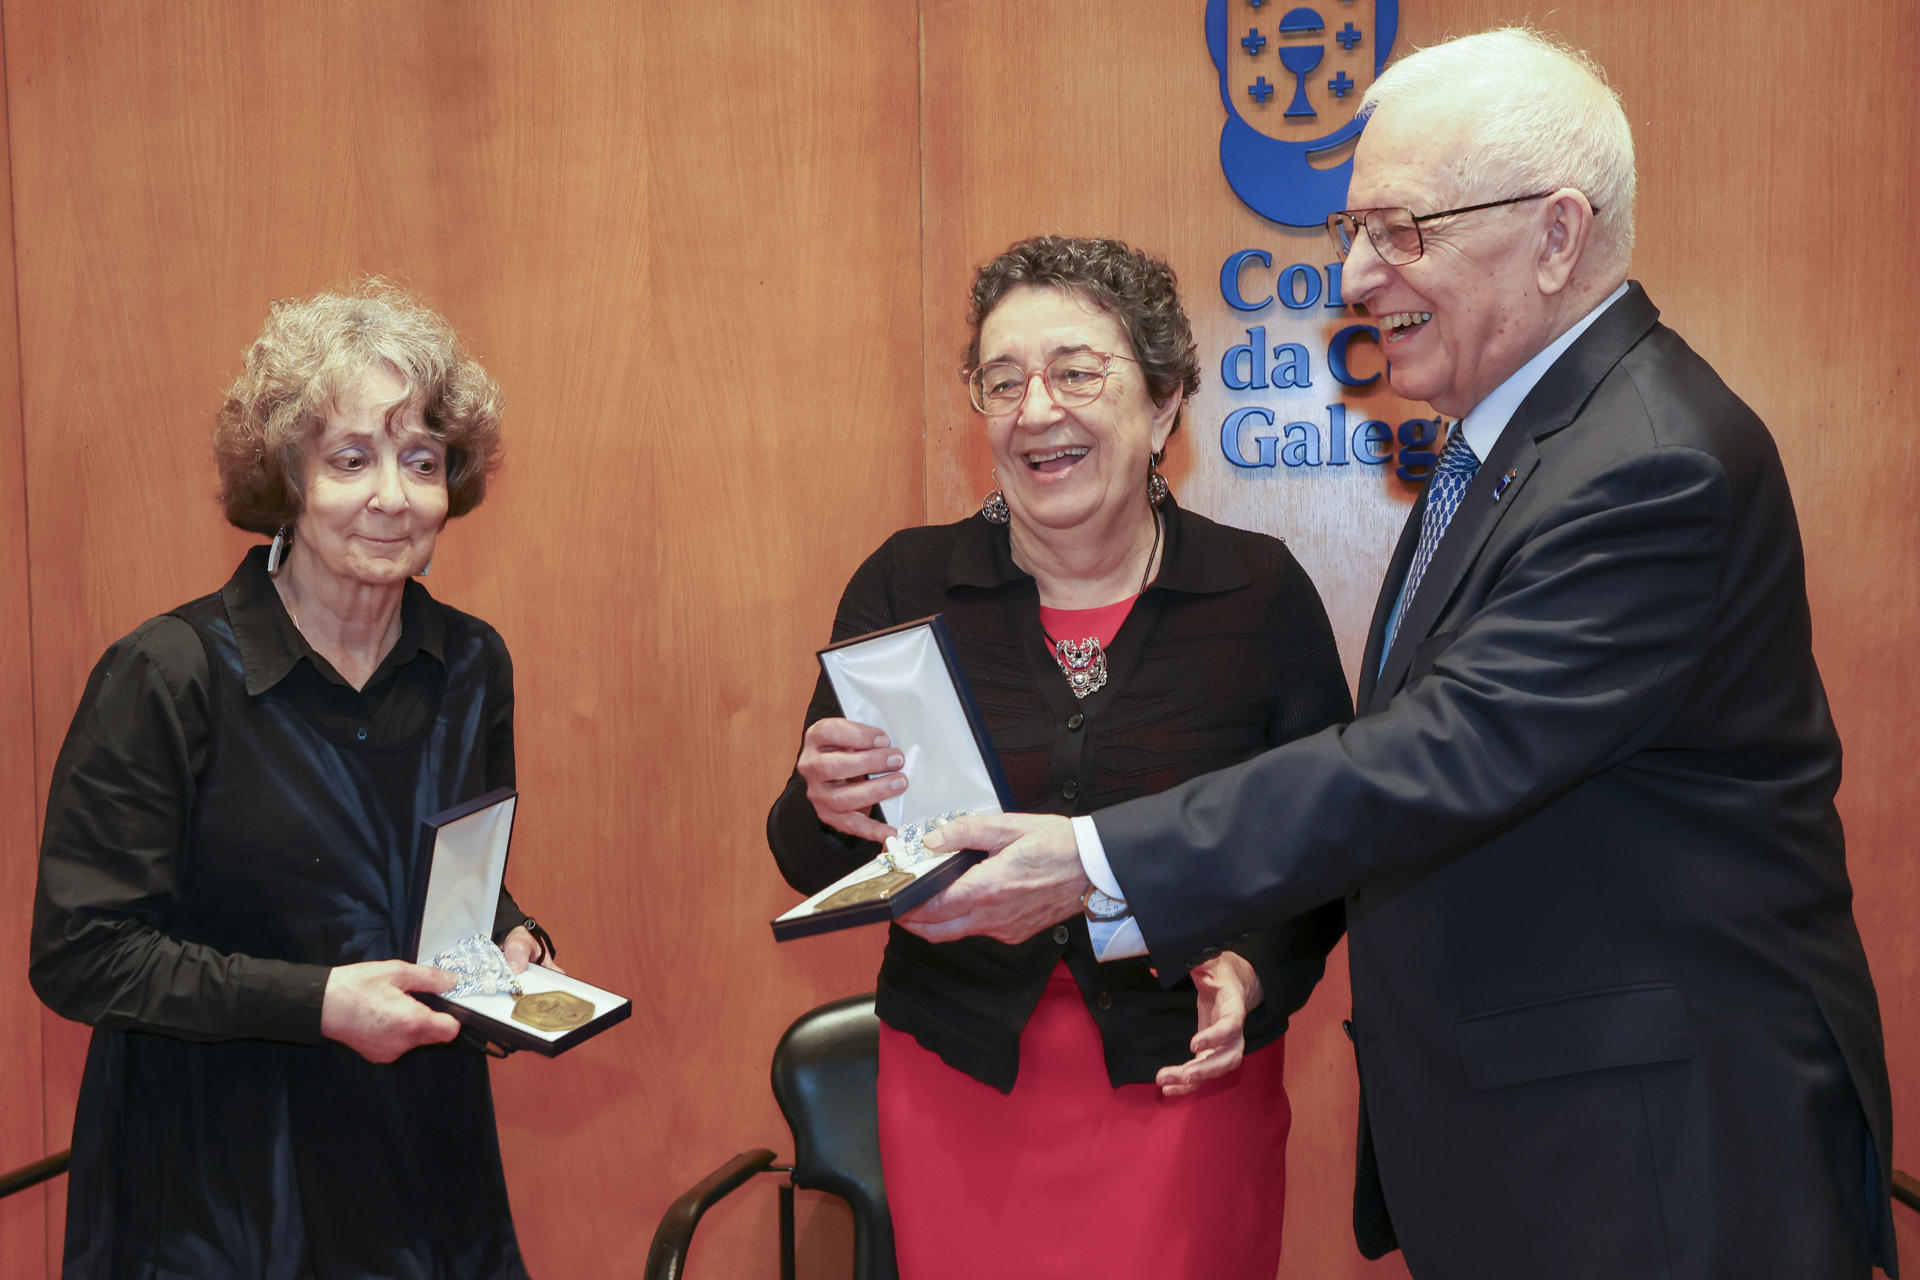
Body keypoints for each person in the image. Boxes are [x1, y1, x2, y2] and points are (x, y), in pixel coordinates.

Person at [907, 30, 1897, 1280]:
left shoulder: (1650, 463)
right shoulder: (1520, 444)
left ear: (1555, 234)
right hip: (1555, 1140)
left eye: (1401, 230)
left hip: (1656, 1161)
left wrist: (1092, 856)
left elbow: (1435, 756)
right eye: (1354, 231)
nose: (1361, 274)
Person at [768, 235, 1351, 1278]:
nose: (1038, 409)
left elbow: (1324, 844)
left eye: (1078, 371)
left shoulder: (1257, 593)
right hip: (961, 1086)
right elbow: (815, 860)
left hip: (1185, 1082)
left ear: (1166, 401)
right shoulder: (910, 584)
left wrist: (1258, 972)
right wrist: (824, 801)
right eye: (1004, 381)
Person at [30, 281, 550, 1279]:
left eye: (422, 460)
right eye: (351, 459)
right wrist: (316, 1001)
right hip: (214, 1191)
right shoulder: (168, 673)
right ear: (288, 476)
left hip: (419, 1171)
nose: (393, 496)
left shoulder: (473, 665)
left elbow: (432, 874)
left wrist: (506, 933)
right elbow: (82, 953)